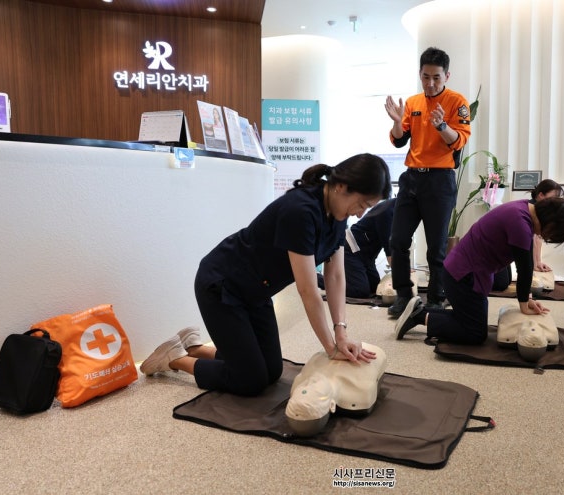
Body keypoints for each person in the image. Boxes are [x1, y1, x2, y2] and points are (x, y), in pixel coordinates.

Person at [140, 153, 392, 397]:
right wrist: (330, 347)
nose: (360, 213)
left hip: (256, 292)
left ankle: (194, 347)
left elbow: (335, 275)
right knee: (250, 380)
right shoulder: (301, 211)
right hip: (222, 285)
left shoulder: (337, 214)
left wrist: (341, 333)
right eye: (362, 204)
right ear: (342, 186)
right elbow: (308, 291)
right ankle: (174, 358)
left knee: (272, 371)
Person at [394, 197, 564, 344]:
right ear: (551, 224)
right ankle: (419, 317)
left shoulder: (523, 209)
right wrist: (524, 303)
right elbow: (525, 269)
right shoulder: (521, 223)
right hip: (463, 276)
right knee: (475, 332)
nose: (545, 237)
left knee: (470, 320)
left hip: (461, 270)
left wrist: (528, 298)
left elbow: (526, 265)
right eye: (551, 235)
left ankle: (420, 311)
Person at [383, 46, 471, 317]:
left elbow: (459, 141)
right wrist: (397, 121)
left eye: (436, 77)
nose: (430, 83)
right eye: (425, 77)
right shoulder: (412, 103)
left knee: (436, 246)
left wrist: (442, 125)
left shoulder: (457, 102)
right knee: (398, 240)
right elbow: (399, 140)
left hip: (440, 181)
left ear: (447, 76)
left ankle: (435, 297)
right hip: (411, 179)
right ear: (420, 74)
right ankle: (403, 295)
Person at [317, 198, 395, 298]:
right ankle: (317, 279)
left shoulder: (398, 212)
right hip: (351, 249)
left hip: (367, 257)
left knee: (374, 289)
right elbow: (390, 253)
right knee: (359, 291)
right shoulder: (387, 212)